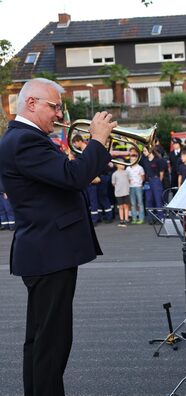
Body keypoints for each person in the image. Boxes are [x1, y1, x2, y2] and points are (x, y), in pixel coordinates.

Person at [0, 78, 115, 396]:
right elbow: (73, 176)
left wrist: (93, 156)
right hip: (49, 251)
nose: (59, 113)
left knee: (41, 339)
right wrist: (98, 140)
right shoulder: (25, 140)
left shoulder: (25, 138)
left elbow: (64, 178)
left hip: (46, 250)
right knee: (52, 342)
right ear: (31, 103)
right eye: (53, 106)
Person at [127, 148, 145, 224]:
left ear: (136, 160)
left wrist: (140, 183)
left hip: (138, 186)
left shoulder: (140, 168)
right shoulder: (128, 168)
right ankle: (134, 218)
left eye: (134, 160)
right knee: (133, 203)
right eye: (131, 159)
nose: (132, 161)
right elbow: (127, 177)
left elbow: (143, 177)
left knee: (140, 203)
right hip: (131, 187)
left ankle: (141, 218)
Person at [112, 163, 130, 227]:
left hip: (126, 192)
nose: (123, 165)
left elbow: (129, 180)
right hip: (119, 193)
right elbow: (113, 183)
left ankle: (126, 218)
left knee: (126, 206)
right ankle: (121, 219)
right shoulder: (115, 174)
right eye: (122, 164)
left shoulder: (126, 172)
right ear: (117, 165)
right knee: (121, 206)